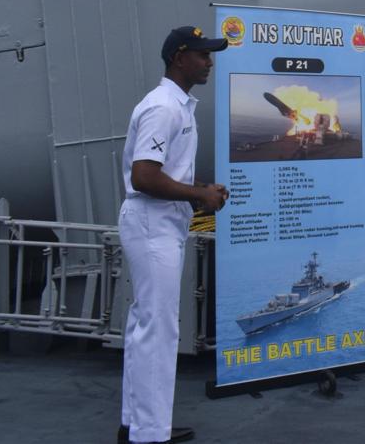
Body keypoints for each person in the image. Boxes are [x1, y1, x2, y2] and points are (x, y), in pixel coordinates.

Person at [119, 26, 230, 444]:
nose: (209, 62)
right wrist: (198, 194)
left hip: (160, 220)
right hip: (152, 223)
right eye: (203, 54)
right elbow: (144, 176)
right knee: (159, 328)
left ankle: (136, 423)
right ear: (179, 57)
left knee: (145, 323)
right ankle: (149, 435)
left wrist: (197, 187)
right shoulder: (164, 107)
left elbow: (163, 172)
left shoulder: (178, 105)